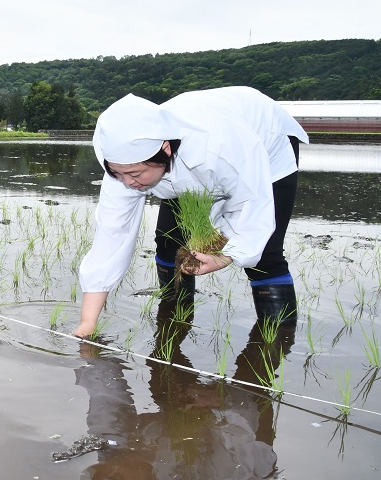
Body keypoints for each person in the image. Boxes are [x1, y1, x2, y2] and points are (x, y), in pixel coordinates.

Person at [73, 86, 309, 338]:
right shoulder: (125, 167)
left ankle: (277, 339)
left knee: (265, 256)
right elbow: (110, 238)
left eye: (134, 174)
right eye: (117, 173)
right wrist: (88, 322)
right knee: (168, 241)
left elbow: (251, 205)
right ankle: (174, 318)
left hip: (266, 142)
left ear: (165, 149)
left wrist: (226, 255)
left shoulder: (219, 145)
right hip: (191, 162)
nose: (127, 182)